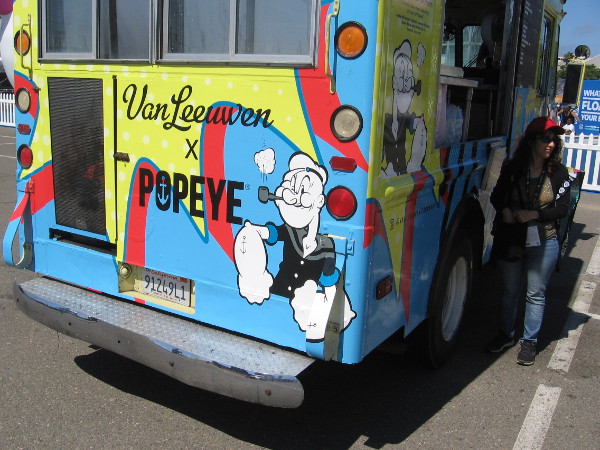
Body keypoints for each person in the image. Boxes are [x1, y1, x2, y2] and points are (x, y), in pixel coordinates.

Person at [486, 116, 571, 366]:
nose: (551, 144)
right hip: (512, 238)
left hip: (544, 239)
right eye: (546, 138)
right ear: (532, 141)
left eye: (554, 140)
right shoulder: (513, 168)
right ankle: (505, 334)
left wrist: (534, 215)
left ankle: (529, 342)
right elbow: (497, 196)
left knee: (535, 293)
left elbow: (562, 209)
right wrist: (505, 210)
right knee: (510, 291)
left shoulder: (559, 172)